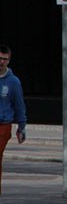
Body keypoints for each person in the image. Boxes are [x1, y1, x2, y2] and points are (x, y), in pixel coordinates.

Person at [0, 44, 26, 195]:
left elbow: (19, 105)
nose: (1, 62)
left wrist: (21, 127)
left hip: (3, 125)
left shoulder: (13, 82)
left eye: (4, 59)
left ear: (8, 61)